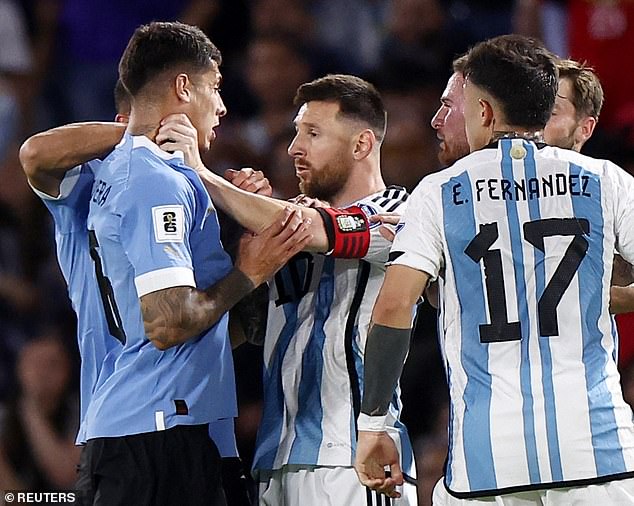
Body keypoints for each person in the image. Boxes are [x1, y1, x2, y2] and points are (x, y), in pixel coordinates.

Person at [23, 21, 312, 505]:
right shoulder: (149, 179)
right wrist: (249, 271)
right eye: (214, 88)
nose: (222, 105)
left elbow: (225, 328)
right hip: (155, 427)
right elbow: (169, 321)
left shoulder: (166, 180)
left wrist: (250, 249)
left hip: (182, 424)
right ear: (183, 87)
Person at [355, 34, 634, 505]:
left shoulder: (438, 192)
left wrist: (374, 424)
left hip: (488, 454)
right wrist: (616, 297)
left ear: (483, 111)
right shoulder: (605, 180)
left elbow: (392, 307)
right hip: (597, 445)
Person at [160, 73, 417, 504]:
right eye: (296, 133)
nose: (295, 149)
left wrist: (204, 176)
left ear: (361, 146)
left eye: (313, 134)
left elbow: (317, 231)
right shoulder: (290, 215)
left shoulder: (400, 212)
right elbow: (244, 327)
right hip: (274, 459)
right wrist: (245, 233)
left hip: (352, 458)